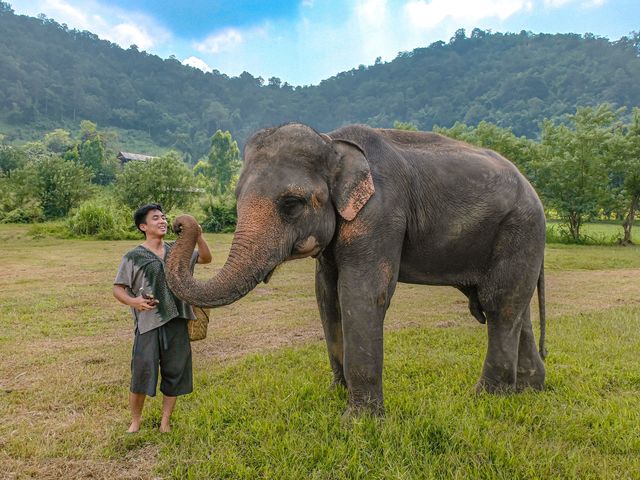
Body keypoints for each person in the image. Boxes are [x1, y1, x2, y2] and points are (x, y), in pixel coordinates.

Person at [112, 203, 212, 433]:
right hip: (148, 323)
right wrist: (134, 302)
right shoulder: (134, 257)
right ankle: (135, 421)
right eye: (156, 218)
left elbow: (206, 258)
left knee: (175, 372)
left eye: (164, 217)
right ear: (143, 226)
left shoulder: (178, 251)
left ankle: (165, 421)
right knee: (142, 373)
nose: (163, 221)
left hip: (177, 319)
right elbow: (118, 289)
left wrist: (197, 235)